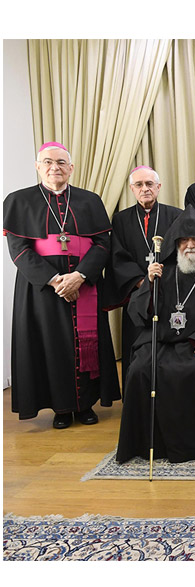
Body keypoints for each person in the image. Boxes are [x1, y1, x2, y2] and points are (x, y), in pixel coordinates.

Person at [3, 142, 120, 427]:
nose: (54, 167)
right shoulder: (19, 200)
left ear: (71, 168)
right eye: (47, 162)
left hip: (86, 282)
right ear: (37, 166)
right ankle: (62, 408)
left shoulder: (90, 200)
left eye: (61, 162)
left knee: (87, 343)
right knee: (52, 345)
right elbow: (19, 249)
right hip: (43, 289)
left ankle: (85, 406)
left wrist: (79, 276)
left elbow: (103, 243)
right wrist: (56, 280)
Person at [115, 206, 195, 463]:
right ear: (175, 242)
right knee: (140, 370)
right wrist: (149, 283)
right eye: (184, 240)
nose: (190, 245)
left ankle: (188, 445)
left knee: (192, 373)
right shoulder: (163, 270)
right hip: (160, 340)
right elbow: (141, 313)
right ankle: (146, 442)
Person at [108, 166, 182, 385]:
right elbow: (117, 256)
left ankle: (168, 393)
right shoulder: (120, 219)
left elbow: (183, 253)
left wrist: (161, 279)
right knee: (136, 347)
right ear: (132, 189)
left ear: (158, 187)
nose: (145, 189)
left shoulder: (176, 215)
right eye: (139, 185)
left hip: (168, 292)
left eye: (150, 184)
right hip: (137, 295)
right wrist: (143, 282)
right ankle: (135, 396)